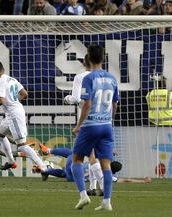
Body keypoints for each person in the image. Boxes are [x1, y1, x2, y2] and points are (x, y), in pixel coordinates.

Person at [71, 44, 119, 211]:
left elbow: (87, 104)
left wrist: (78, 126)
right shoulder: (112, 78)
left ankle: (84, 196)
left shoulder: (89, 78)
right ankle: (107, 202)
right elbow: (114, 104)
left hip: (91, 125)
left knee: (76, 160)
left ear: (89, 58)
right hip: (107, 126)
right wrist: (109, 120)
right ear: (103, 58)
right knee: (105, 164)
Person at [0, 60, 46, 171]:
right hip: (11, 113)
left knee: (22, 145)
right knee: (0, 135)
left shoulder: (0, 81)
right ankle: (11, 161)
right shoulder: (12, 79)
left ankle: (43, 166)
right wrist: (13, 102)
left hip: (14, 114)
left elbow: (0, 100)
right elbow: (24, 93)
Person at [64, 54, 104, 197]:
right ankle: (93, 187)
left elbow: (75, 98)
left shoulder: (80, 77)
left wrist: (67, 98)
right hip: (102, 117)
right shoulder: (104, 77)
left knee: (86, 156)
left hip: (87, 119)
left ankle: (104, 184)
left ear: (84, 63)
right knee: (93, 154)